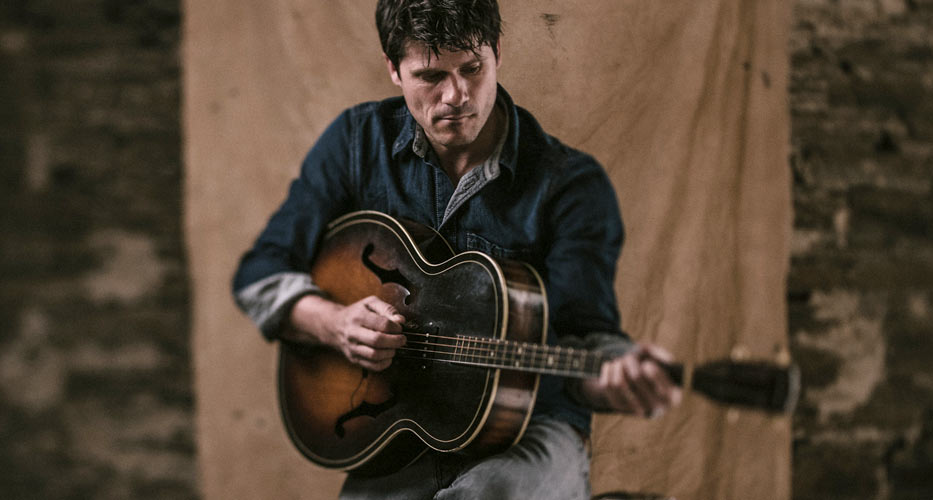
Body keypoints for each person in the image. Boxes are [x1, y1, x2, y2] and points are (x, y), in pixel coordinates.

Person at [232, 1, 682, 498]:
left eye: (473, 68)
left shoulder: (570, 185)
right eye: (430, 75)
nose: (456, 95)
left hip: (529, 428)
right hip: (400, 430)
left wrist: (616, 376)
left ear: (498, 54)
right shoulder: (357, 143)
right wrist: (334, 324)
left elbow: (586, 340)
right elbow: (262, 274)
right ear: (393, 69)